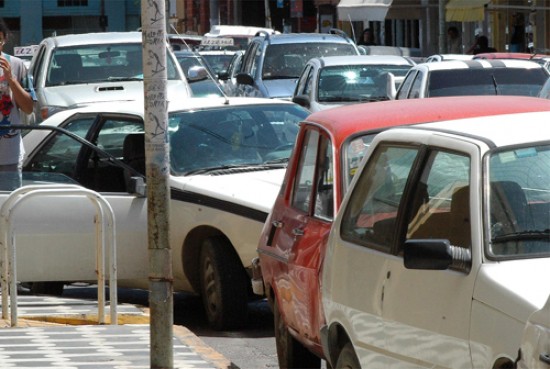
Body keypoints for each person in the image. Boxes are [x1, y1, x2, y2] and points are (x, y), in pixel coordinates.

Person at [0, 18, 35, 189]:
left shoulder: (17, 65)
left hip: (9, 157)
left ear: (4, 39)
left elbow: (28, 108)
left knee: (9, 210)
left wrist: (11, 80)